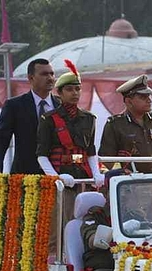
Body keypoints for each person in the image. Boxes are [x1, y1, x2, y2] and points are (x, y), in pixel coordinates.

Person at [36, 60, 105, 255]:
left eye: (77, 89)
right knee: (61, 225)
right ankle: (58, 263)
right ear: (59, 92)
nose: (75, 93)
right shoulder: (49, 119)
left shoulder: (89, 118)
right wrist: (55, 177)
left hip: (83, 177)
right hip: (62, 180)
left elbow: (91, 151)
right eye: (69, 90)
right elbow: (41, 155)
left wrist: (96, 173)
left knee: (86, 221)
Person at [99, 75, 152, 173]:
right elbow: (106, 162)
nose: (149, 100)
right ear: (129, 102)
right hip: (132, 183)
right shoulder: (115, 125)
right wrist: (120, 172)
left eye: (148, 96)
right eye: (143, 97)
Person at [0, 58, 59, 174]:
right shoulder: (14, 106)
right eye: (44, 74)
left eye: (52, 74)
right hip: (24, 177)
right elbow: (1, 141)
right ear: (31, 78)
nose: (50, 78)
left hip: (58, 176)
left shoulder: (62, 106)